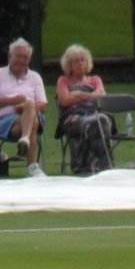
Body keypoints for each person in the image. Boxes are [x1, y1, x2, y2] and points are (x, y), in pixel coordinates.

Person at [0, 37, 48, 178]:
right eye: (18, 56)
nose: (21, 60)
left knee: (31, 105)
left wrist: (25, 107)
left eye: (25, 57)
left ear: (29, 61)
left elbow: (43, 104)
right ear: (9, 57)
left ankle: (24, 138)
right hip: (5, 122)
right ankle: (32, 167)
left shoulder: (35, 77)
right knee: (33, 122)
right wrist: (13, 101)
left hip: (27, 119)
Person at [55, 43, 112, 175]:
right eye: (76, 61)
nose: (80, 64)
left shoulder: (95, 80)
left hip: (96, 114)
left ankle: (101, 166)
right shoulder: (63, 81)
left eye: (83, 60)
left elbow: (102, 96)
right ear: (69, 65)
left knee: (101, 120)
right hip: (72, 117)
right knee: (90, 123)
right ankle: (88, 166)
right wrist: (91, 96)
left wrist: (79, 94)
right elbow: (64, 100)